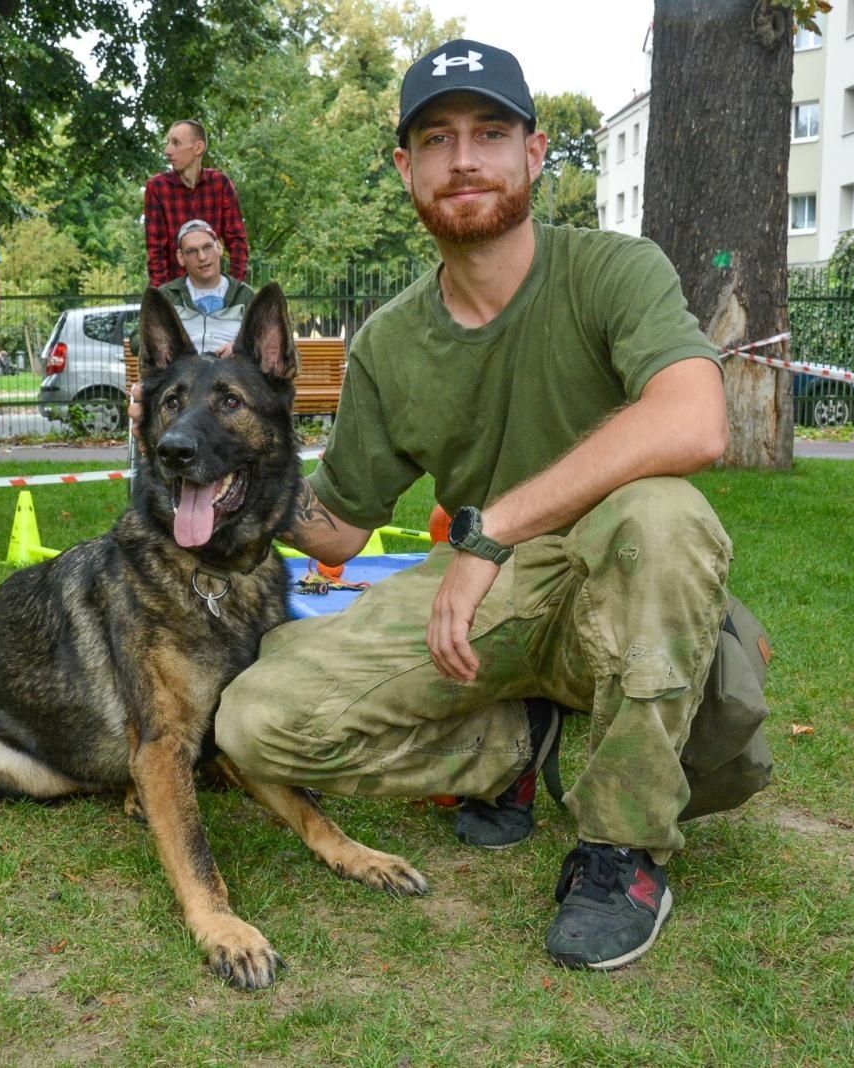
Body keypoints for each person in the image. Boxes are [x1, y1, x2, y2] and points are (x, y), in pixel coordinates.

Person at [200, 40, 757, 972]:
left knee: (664, 513)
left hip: (612, 588)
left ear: (535, 154)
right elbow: (335, 527)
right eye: (438, 138)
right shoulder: (389, 343)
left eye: (490, 133)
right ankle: (516, 750)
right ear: (406, 168)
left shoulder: (614, 270)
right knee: (253, 723)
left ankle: (624, 849)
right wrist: (233, 477)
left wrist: (490, 531)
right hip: (487, 613)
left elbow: (696, 420)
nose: (465, 159)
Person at [143, 120, 250, 288]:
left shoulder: (220, 184)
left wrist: (234, 288)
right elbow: (156, 250)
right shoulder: (157, 187)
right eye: (168, 143)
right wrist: (165, 297)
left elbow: (237, 242)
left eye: (176, 143)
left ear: (198, 148)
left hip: (214, 289)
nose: (167, 150)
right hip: (173, 291)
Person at [155, 219, 257, 356]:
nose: (202, 257)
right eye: (191, 251)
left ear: (219, 247)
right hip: (182, 373)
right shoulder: (166, 296)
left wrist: (237, 349)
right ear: (181, 257)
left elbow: (262, 340)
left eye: (208, 247)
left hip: (232, 372)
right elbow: (137, 340)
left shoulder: (244, 295)